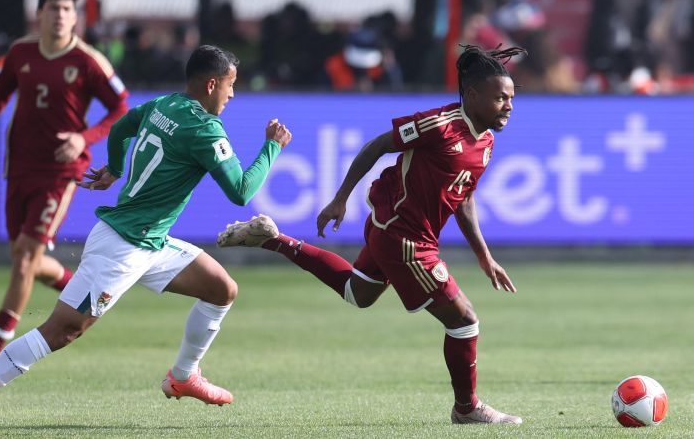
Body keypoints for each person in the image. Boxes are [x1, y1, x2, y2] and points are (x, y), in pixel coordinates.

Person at [0, 44, 292, 438]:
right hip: (123, 246)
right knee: (63, 330)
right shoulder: (204, 128)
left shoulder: (164, 105)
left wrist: (114, 167)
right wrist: (271, 147)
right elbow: (242, 191)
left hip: (151, 241)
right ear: (212, 84)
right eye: (230, 86)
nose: (232, 95)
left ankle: (183, 376)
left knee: (220, 288)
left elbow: (123, 126)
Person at [219, 45, 526, 425]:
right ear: (474, 95)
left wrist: (483, 255)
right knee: (464, 320)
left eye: (511, 97)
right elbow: (380, 144)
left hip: (396, 230)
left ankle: (272, 239)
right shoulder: (440, 125)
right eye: (500, 97)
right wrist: (339, 198)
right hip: (405, 239)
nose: (508, 105)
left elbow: (463, 198)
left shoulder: (486, 141)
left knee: (358, 293)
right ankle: (467, 409)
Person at [0, 0, 129, 371]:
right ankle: (76, 287)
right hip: (19, 165)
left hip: (60, 170)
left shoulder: (89, 61)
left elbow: (120, 107)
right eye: (53, 8)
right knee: (24, 257)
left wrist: (82, 137)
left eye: (67, 9)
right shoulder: (20, 53)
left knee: (24, 260)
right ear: (40, 13)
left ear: (76, 17)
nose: (60, 15)